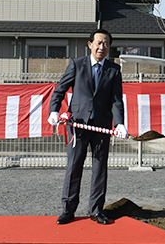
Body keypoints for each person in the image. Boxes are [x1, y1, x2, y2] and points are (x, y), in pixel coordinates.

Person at [48, 28, 128, 225]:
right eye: (99, 43)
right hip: (78, 125)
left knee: (100, 169)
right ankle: (68, 209)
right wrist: (54, 110)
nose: (102, 47)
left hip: (101, 126)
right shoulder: (77, 65)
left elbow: (116, 99)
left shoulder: (113, 69)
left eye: (106, 43)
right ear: (90, 44)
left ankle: (96, 210)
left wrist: (119, 123)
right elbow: (60, 90)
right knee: (74, 167)